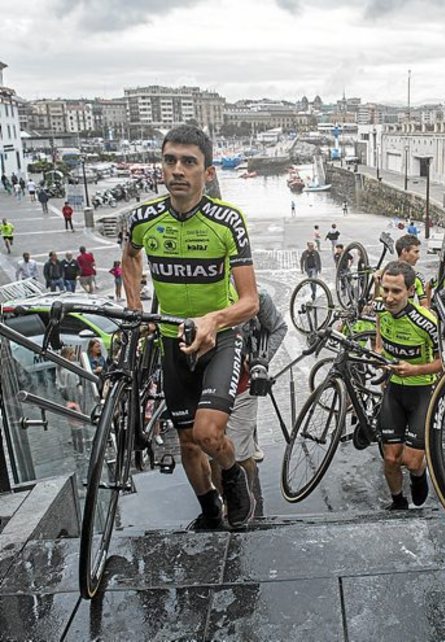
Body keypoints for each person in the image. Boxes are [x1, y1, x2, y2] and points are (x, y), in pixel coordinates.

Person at [122, 124, 260, 531]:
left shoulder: (227, 221)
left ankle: (232, 474)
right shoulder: (143, 218)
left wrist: (213, 320)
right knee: (186, 442)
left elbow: (250, 302)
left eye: (188, 162)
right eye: (170, 161)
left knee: (207, 435)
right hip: (172, 341)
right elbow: (130, 256)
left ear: (208, 172)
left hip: (220, 340)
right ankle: (210, 508)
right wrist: (135, 307)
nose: (177, 170)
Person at [376, 261, 441, 510]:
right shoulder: (381, 310)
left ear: (411, 291)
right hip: (394, 390)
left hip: (421, 392)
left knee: (412, 462)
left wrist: (415, 370)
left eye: (396, 291)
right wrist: (380, 354)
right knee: (391, 459)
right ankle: (398, 502)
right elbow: (379, 341)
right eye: (385, 290)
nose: (389, 298)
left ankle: (419, 475)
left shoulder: (427, 322)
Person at [224, 290, 287, 490]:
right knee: (213, 452)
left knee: (240, 454)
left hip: (242, 383)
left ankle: (247, 495)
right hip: (208, 383)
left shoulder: (258, 296)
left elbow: (279, 327)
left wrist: (259, 360)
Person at [394, 233, 428, 307]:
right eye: (416, 252)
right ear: (404, 251)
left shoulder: (418, 277)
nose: (418, 256)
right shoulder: (386, 275)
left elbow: (424, 306)